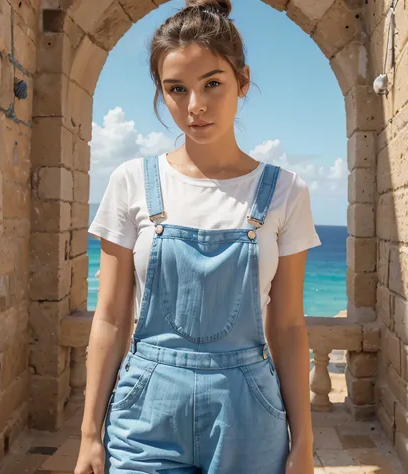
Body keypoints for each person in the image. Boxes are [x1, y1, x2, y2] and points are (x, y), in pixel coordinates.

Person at [75, 1, 322, 473]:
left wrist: (303, 442)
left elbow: (288, 326)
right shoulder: (131, 182)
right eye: (177, 89)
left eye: (212, 83)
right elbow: (109, 317)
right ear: (162, 93)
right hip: (143, 413)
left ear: (242, 81)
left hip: (249, 414)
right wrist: (89, 434)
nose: (196, 106)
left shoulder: (286, 192)